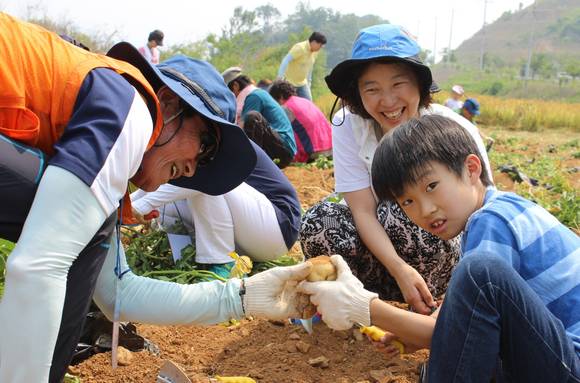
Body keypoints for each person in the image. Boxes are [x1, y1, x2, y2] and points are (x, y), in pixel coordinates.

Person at [0, 13, 312, 382]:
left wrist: (243, 296)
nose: (195, 169)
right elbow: (38, 267)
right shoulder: (130, 109)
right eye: (206, 144)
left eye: (207, 161)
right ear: (166, 103)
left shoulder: (102, 130)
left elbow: (118, 293)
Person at [298, 114, 580, 382]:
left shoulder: (491, 220)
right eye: (407, 202)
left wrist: (364, 306)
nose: (426, 209)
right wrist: (414, 334)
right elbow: (469, 318)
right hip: (556, 355)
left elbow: (457, 332)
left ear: (471, 169)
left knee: (479, 273)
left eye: (431, 186)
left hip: (570, 366)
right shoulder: (500, 208)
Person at [300, 24, 492, 314]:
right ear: (357, 93)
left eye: (398, 85)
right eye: (372, 89)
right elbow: (362, 209)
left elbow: (484, 215)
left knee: (402, 204)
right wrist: (399, 269)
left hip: (444, 257)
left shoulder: (451, 129)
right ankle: (355, 301)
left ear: (418, 83)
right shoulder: (348, 125)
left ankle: (432, 303)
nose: (388, 101)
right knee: (321, 220)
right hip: (388, 262)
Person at [130, 141, 301, 278]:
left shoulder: (216, 141)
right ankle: (185, 257)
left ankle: (223, 265)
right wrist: (124, 205)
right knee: (169, 195)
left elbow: (206, 179)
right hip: (248, 237)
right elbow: (155, 185)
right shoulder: (190, 143)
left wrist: (141, 206)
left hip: (277, 229)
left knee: (203, 176)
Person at [222, 67, 297, 168]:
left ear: (235, 86)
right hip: (278, 147)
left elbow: (242, 128)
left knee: (253, 117)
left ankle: (253, 166)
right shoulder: (256, 94)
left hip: (283, 150)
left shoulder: (254, 96)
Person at [269, 79, 332, 163]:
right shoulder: (305, 101)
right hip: (330, 147)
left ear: (280, 96)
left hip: (315, 152)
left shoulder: (286, 108)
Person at [277, 31, 327, 101]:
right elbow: (285, 60)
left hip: (302, 84)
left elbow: (310, 67)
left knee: (308, 104)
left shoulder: (315, 52)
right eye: (320, 45)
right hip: (289, 83)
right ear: (314, 42)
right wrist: (280, 78)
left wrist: (309, 82)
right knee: (288, 104)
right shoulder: (300, 48)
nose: (320, 48)